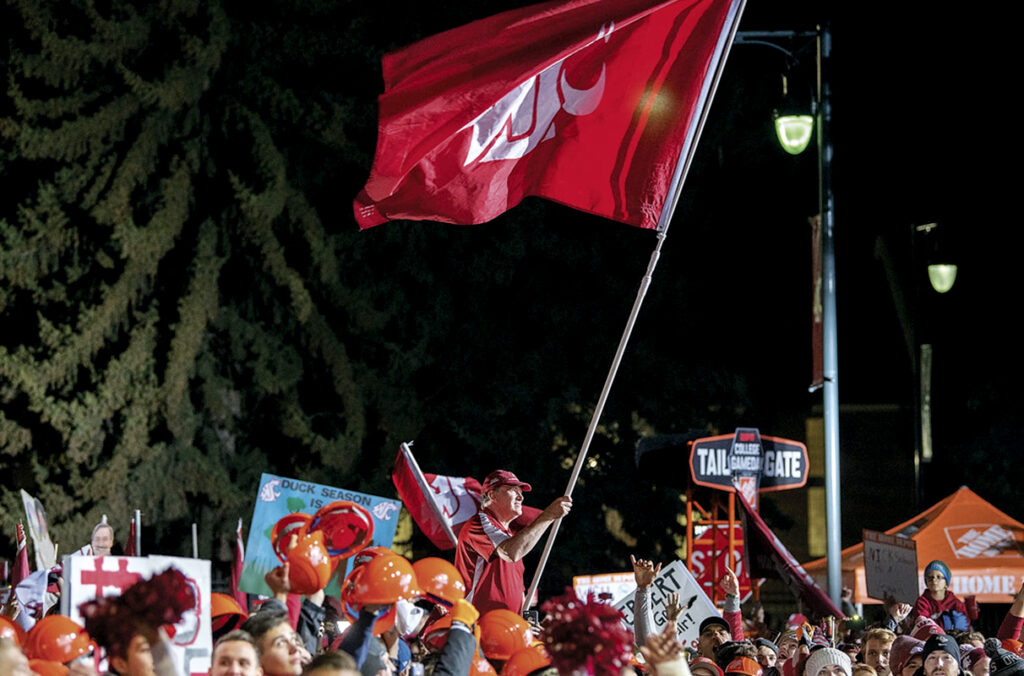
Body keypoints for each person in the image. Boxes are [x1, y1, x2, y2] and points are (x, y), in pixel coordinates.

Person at [453, 470, 571, 614]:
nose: (521, 497)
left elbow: (513, 585)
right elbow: (510, 553)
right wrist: (548, 515)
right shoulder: (479, 523)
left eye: (521, 492)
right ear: (492, 495)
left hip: (505, 625)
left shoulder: (509, 536)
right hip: (479, 624)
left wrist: (523, 622)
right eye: (514, 491)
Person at [914, 561, 972, 632]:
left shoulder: (956, 603)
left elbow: (966, 626)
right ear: (926, 582)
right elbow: (922, 627)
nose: (934, 580)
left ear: (946, 583)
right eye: (930, 577)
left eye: (939, 577)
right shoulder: (922, 603)